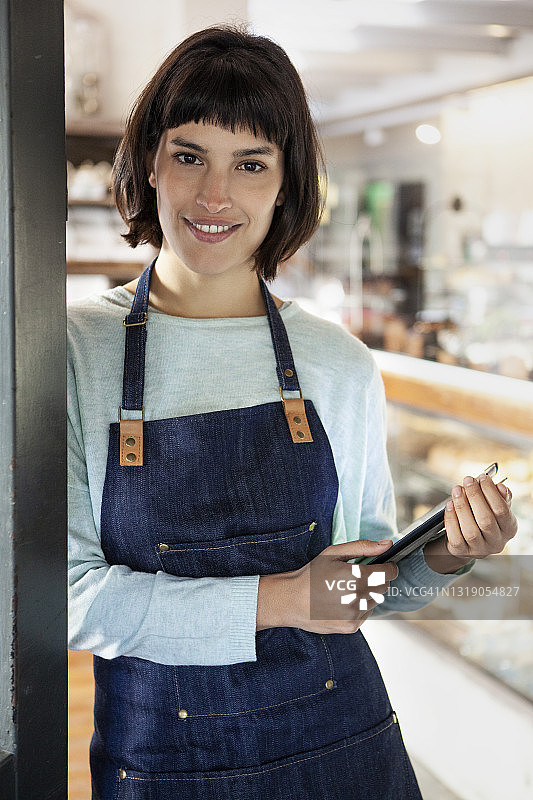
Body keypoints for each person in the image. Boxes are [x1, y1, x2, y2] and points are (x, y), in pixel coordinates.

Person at [67, 25, 518, 800]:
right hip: (165, 766)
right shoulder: (76, 351)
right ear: (148, 163)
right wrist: (282, 598)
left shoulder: (336, 362)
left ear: (285, 182)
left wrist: (449, 553)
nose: (215, 196)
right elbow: (69, 600)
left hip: (342, 748)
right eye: (189, 156)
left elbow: (361, 594)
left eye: (250, 164)